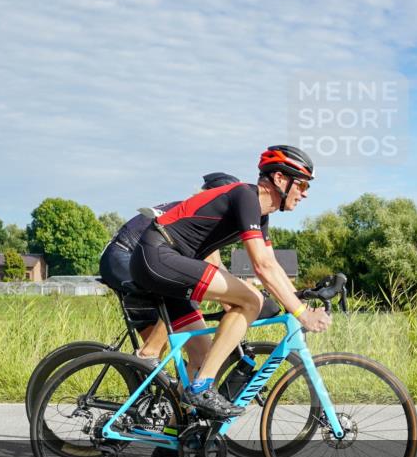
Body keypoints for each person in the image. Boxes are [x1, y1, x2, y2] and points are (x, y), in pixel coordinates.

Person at [129, 145, 331, 418]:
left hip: (168, 263)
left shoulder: (261, 214)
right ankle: (202, 389)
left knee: (202, 356)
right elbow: (261, 265)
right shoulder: (245, 196)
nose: (305, 193)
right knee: (250, 299)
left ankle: (175, 436)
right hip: (158, 255)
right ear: (280, 179)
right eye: (303, 184)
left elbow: (272, 263)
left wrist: (298, 295)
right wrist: (302, 314)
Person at [98, 173, 240, 360]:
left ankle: (152, 376)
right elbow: (212, 264)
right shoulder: (198, 213)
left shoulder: (202, 212)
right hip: (122, 256)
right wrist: (236, 301)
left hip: (136, 259)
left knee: (176, 356)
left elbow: (217, 264)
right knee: (181, 290)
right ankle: (151, 352)